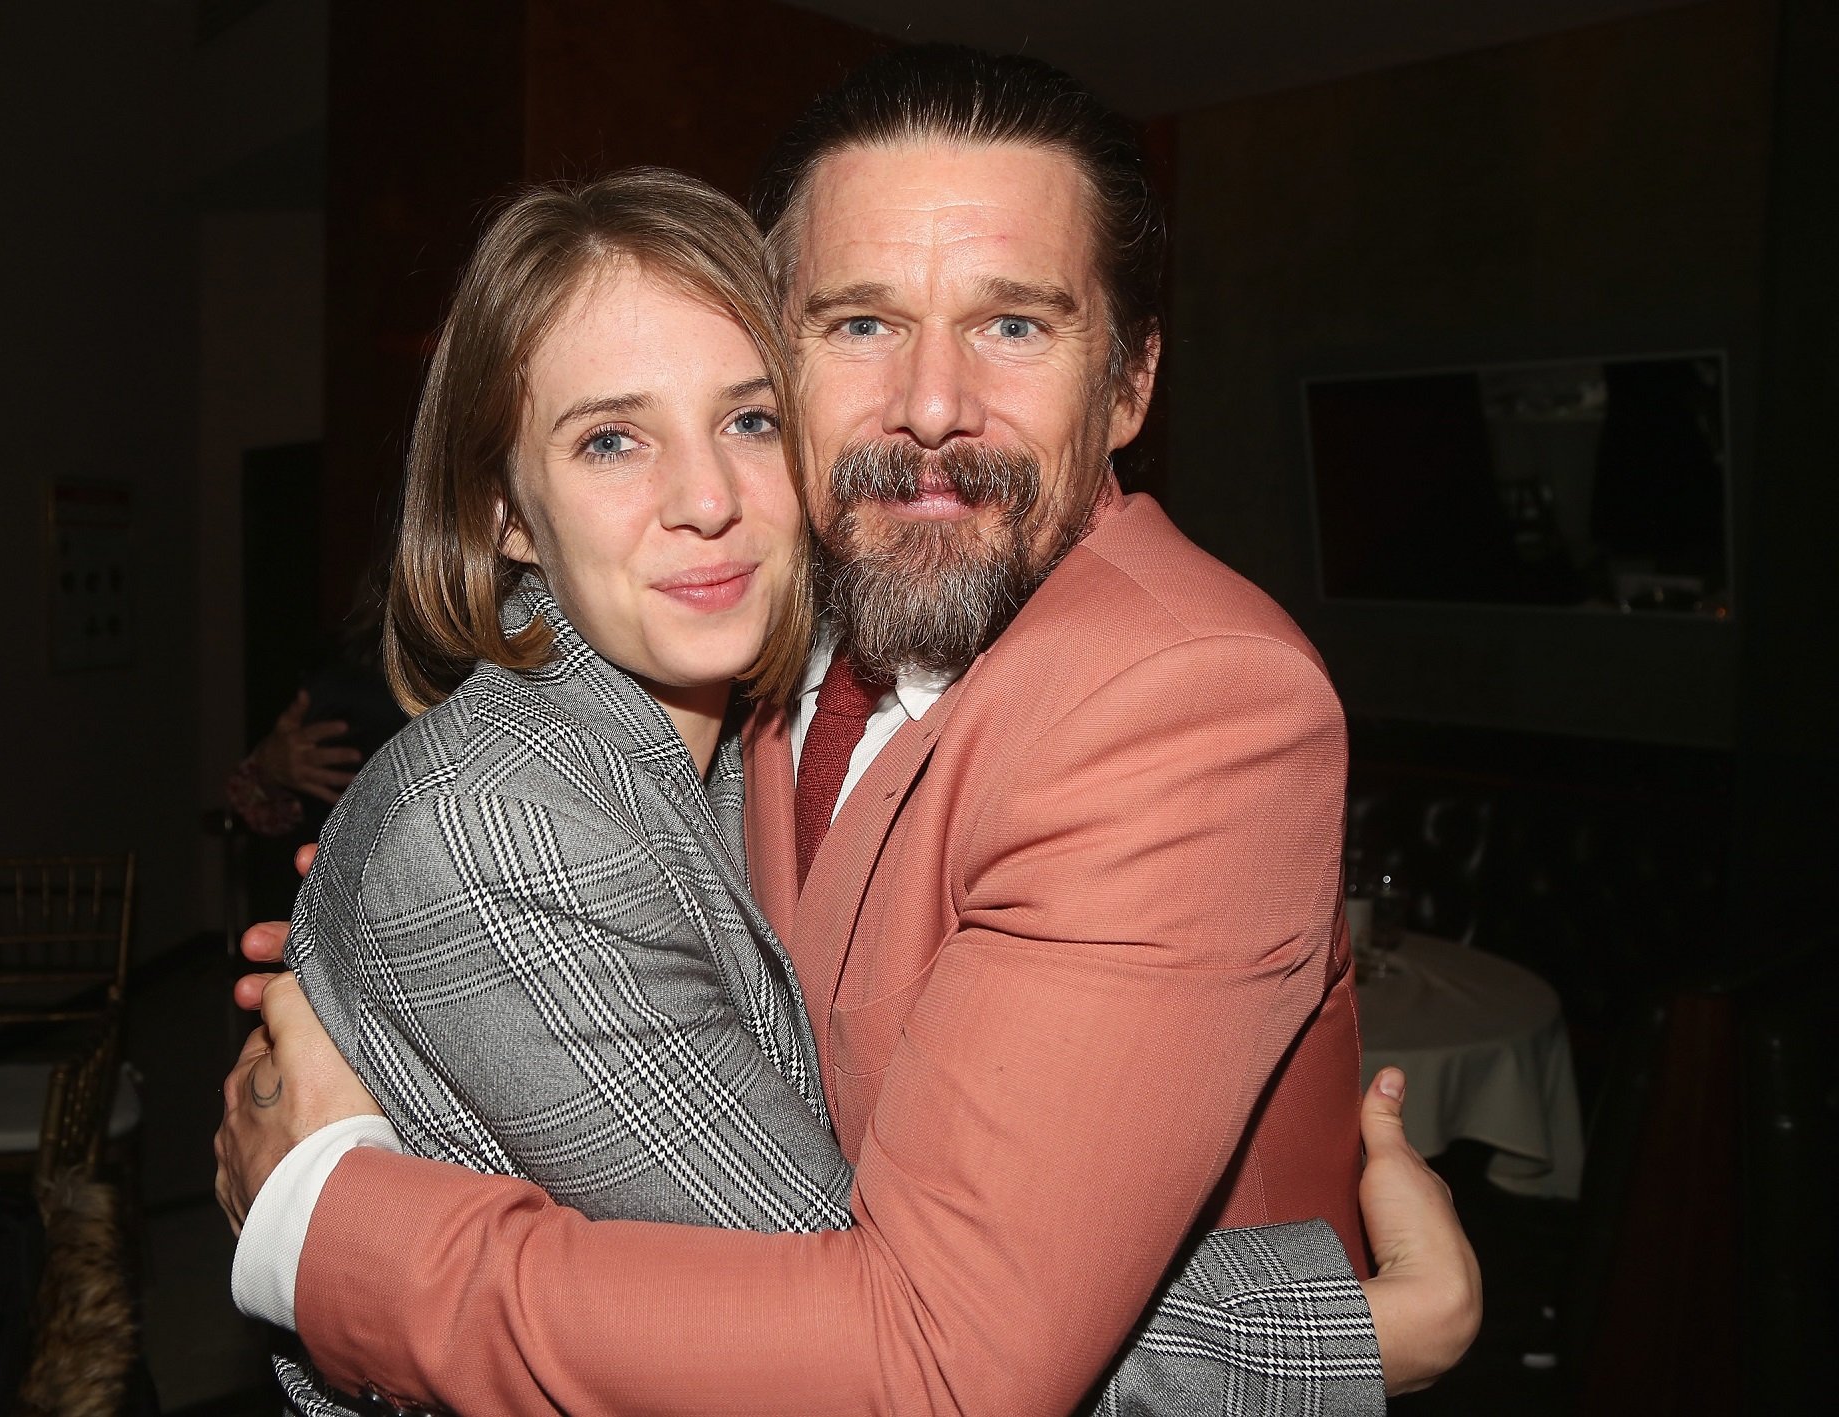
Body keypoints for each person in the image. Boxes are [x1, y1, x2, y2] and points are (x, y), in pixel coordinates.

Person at [219, 46, 1482, 1416]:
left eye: (1013, 324)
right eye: (861, 323)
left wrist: (335, 1228)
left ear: (1130, 386)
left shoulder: (1188, 699)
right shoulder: (742, 643)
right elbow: (902, 1328)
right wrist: (415, 909)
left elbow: (928, 1346)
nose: (932, 405)